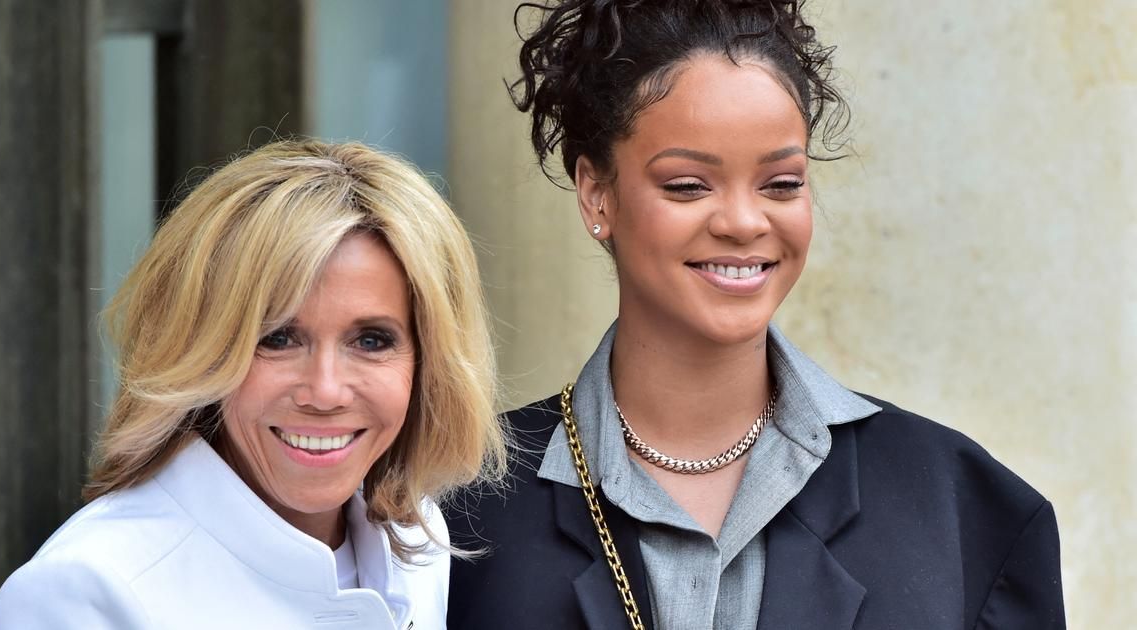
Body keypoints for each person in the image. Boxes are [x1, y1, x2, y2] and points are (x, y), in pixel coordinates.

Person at [446, 1, 1065, 629]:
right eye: (688, 185)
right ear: (596, 193)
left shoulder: (965, 510)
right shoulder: (462, 517)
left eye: (781, 184)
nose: (744, 222)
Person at [0, 140, 504, 629]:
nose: (325, 391)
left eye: (371, 341)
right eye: (278, 338)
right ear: (200, 350)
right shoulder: (87, 591)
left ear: (427, 361)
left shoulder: (419, 542)